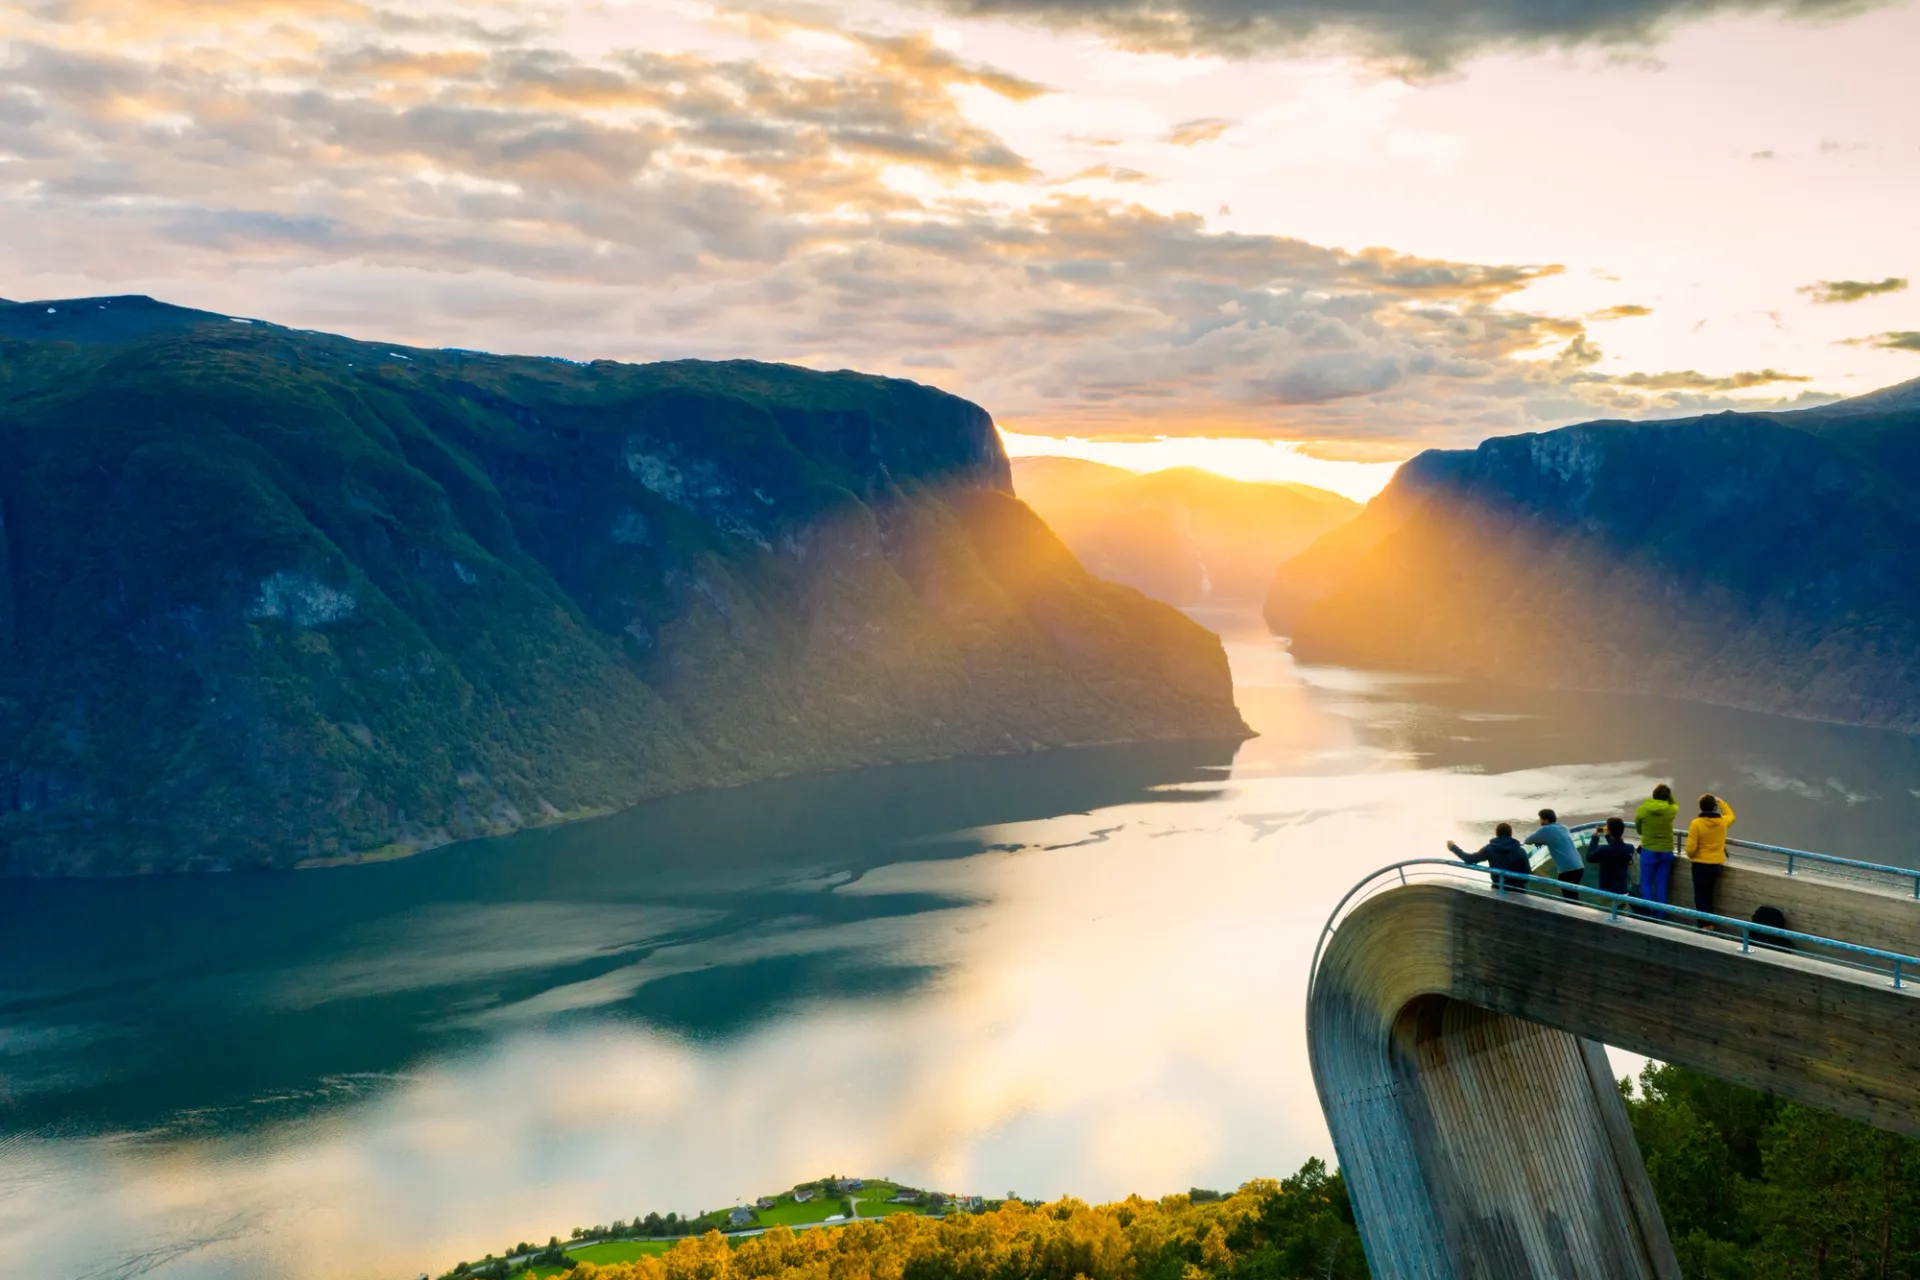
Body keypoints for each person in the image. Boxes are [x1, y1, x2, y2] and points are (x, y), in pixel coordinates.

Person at [1686, 793, 1736, 925]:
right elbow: (1731, 816)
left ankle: (1705, 925)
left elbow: (1690, 849)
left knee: (1701, 896)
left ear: (1701, 808)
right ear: (1714, 807)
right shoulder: (1722, 823)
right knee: (1710, 894)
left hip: (1700, 865)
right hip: (1715, 865)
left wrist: (1692, 856)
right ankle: (1709, 924)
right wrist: (1721, 802)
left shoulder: (1696, 824)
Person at [1449, 823, 1531, 895]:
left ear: (1496, 833)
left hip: (1498, 888)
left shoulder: (1490, 849)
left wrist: (1453, 847)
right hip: (1519, 890)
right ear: (1511, 834)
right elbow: (1527, 872)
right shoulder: (1521, 851)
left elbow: (1470, 859)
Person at [1634, 784, 1679, 909]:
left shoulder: (1642, 809)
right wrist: (1668, 793)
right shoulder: (1671, 810)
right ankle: (1660, 915)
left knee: (1646, 883)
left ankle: (1649, 913)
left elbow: (1639, 829)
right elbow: (1674, 802)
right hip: (1666, 851)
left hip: (1648, 850)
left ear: (1653, 795)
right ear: (1667, 796)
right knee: (1662, 883)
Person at [1524, 808, 1585, 900]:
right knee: (1573, 895)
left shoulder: (1545, 830)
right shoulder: (1563, 827)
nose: (1540, 822)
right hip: (1579, 866)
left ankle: (1575, 913)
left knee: (1569, 897)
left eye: (1541, 819)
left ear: (1546, 820)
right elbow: (1557, 840)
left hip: (1566, 870)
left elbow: (1527, 841)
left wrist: (1541, 841)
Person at [1585, 817, 1637, 897]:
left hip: (1607, 892)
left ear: (1609, 831)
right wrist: (1609, 836)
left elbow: (1589, 857)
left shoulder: (1603, 850)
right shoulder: (1630, 848)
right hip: (1622, 890)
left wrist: (1595, 839)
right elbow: (1616, 848)